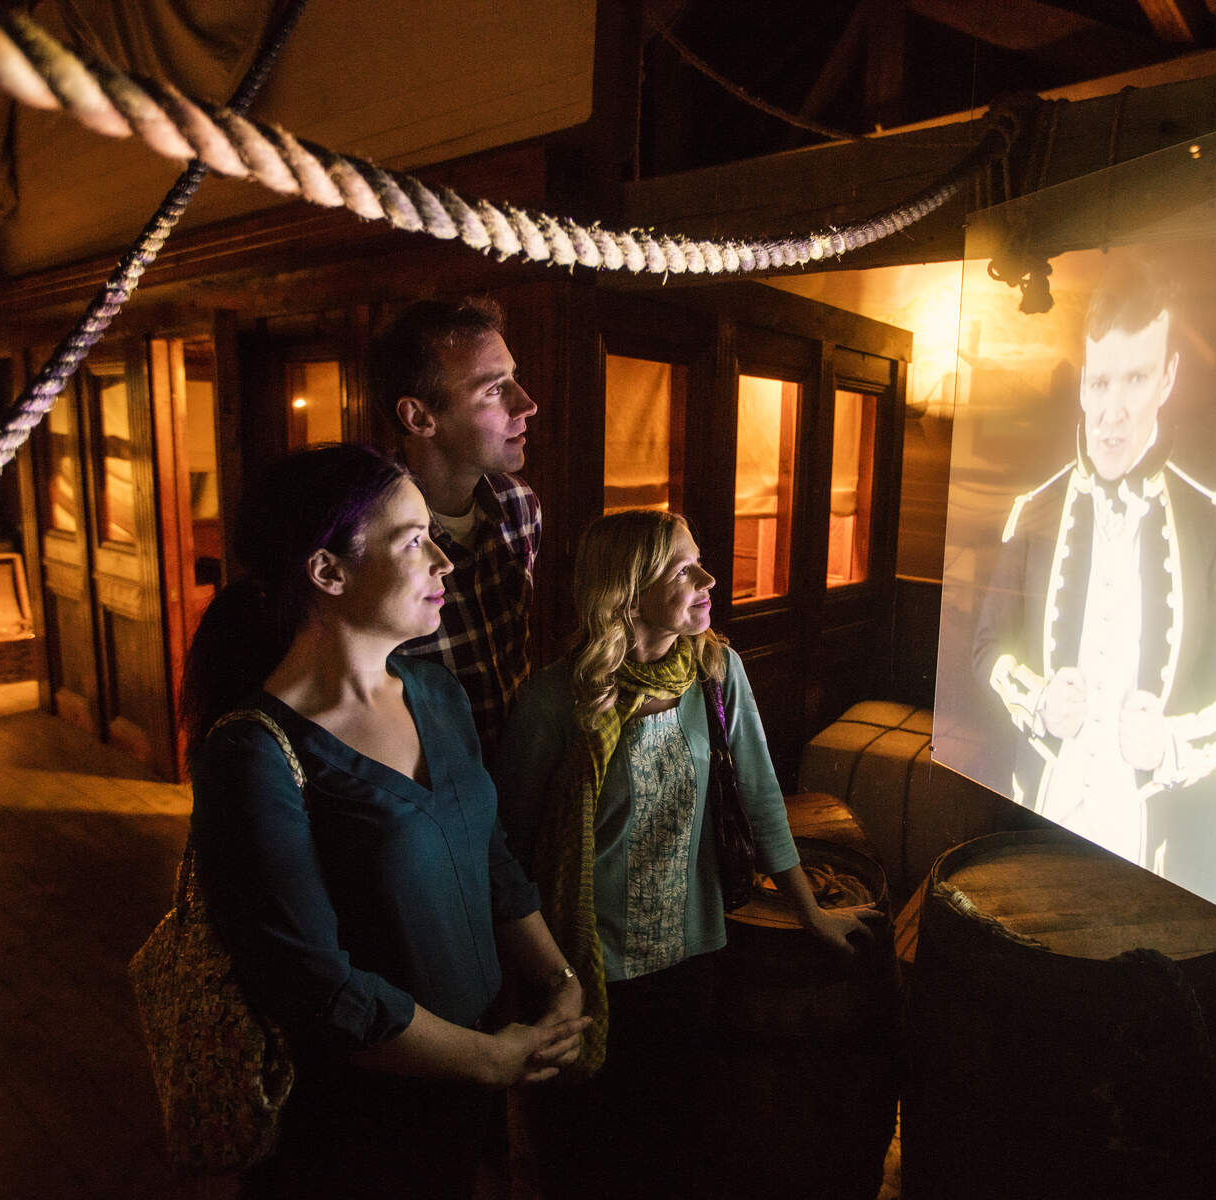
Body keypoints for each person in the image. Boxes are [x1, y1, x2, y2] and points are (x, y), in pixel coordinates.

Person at [181, 444, 587, 1199]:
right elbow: (315, 985)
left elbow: (489, 858)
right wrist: (486, 1058)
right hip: (354, 1122)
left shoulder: (435, 692)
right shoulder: (253, 755)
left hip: (469, 1087)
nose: (444, 561)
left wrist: (558, 978)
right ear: (327, 572)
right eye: (412, 541)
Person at [494, 509, 870, 1199]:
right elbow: (507, 854)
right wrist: (536, 976)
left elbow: (760, 799)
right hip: (587, 965)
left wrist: (811, 915)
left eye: (699, 561)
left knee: (671, 1138)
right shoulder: (556, 701)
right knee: (583, 1149)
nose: (709, 578)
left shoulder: (716, 673)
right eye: (683, 568)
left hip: (691, 953)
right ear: (628, 593)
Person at [973, 254, 1216, 872]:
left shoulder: (1214, 523)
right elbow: (987, 649)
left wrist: (1173, 744)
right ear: (1081, 384)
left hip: (1151, 841)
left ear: (1167, 379)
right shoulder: (1031, 512)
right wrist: (1040, 703)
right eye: (1101, 383)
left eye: (1135, 379)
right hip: (1039, 811)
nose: (1113, 411)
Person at [369, 297, 541, 759]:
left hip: (516, 782)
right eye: (493, 389)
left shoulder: (517, 503)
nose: (526, 403)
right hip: (426, 792)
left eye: (514, 378)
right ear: (420, 418)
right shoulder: (367, 530)